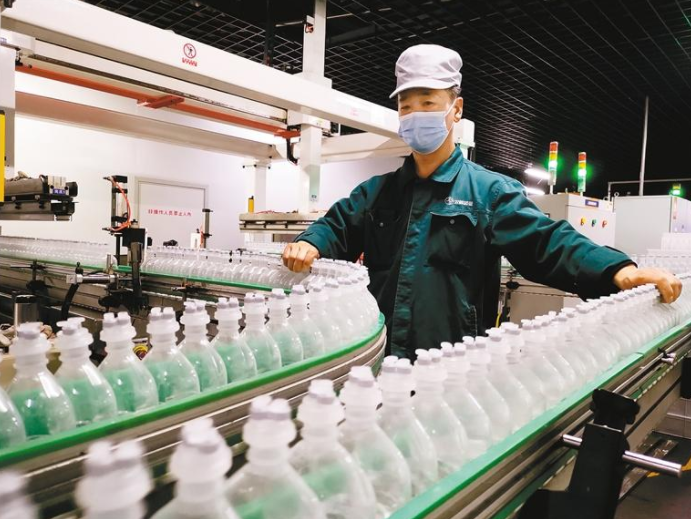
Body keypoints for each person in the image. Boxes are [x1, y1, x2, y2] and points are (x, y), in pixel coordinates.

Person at [283, 44, 681, 358]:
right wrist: (311, 242)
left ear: (455, 109)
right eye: (406, 106)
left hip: (453, 365)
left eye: (427, 102)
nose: (415, 114)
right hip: (379, 359)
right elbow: (336, 226)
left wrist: (617, 270)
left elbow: (546, 242)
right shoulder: (376, 193)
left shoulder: (489, 193)